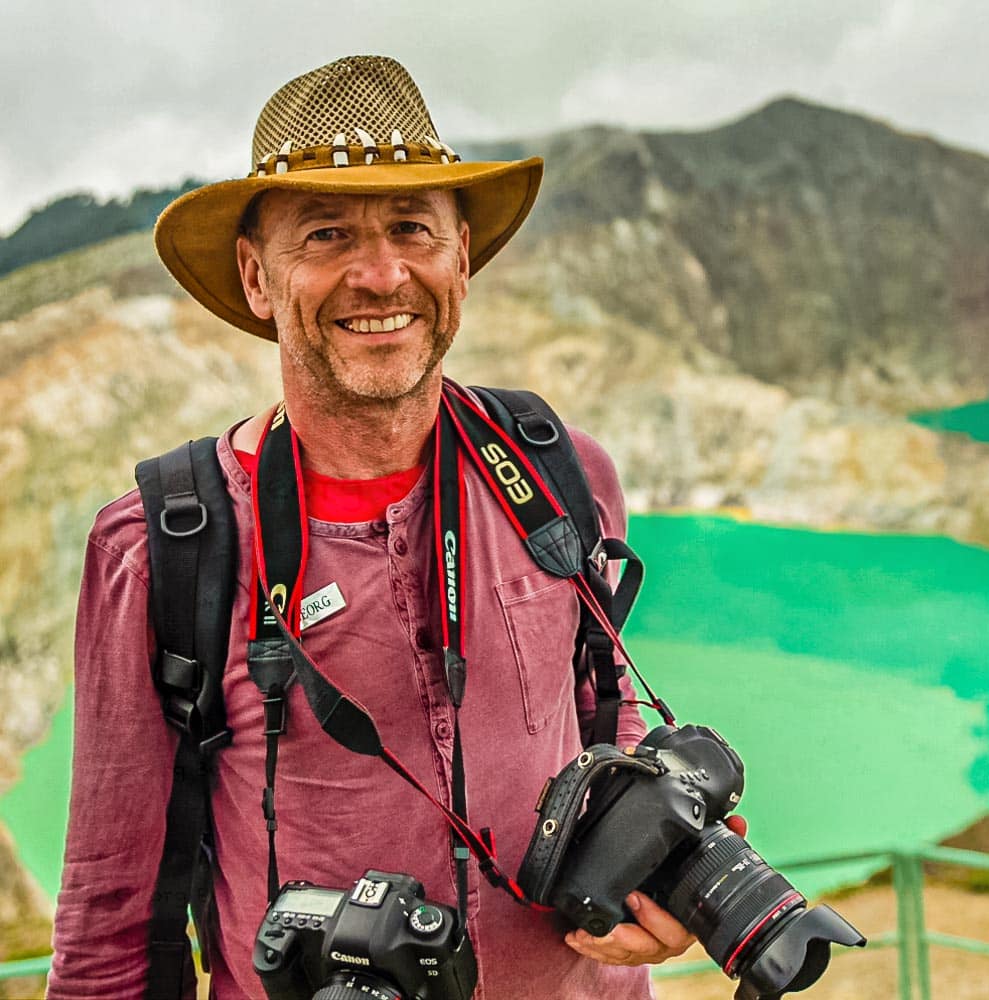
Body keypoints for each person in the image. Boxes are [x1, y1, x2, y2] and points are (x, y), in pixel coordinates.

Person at [48, 55, 719, 999]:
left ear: (462, 259)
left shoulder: (560, 475)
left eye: (414, 229)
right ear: (257, 278)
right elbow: (108, 922)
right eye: (327, 235)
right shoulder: (162, 549)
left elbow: (602, 708)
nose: (381, 273)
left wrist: (662, 866)